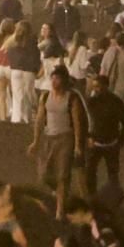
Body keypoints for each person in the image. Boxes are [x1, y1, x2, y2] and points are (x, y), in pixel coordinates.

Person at [31, 67, 87, 216]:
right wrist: (35, 141)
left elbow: (77, 123)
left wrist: (77, 145)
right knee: (44, 174)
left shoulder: (71, 98)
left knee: (62, 174)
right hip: (49, 138)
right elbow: (39, 119)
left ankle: (60, 210)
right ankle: (61, 192)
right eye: (53, 78)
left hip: (65, 138)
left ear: (64, 80)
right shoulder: (45, 96)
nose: (54, 81)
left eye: (57, 78)